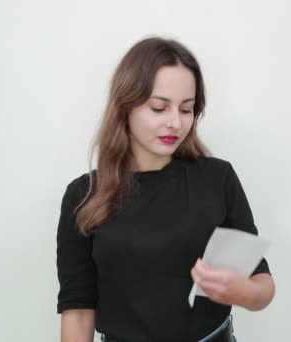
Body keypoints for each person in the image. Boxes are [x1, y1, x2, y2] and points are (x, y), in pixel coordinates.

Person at [56, 37, 275, 342]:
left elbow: (262, 283)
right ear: (125, 107)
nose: (175, 122)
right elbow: (78, 309)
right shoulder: (83, 197)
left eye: (186, 109)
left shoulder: (217, 178)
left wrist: (244, 292)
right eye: (159, 108)